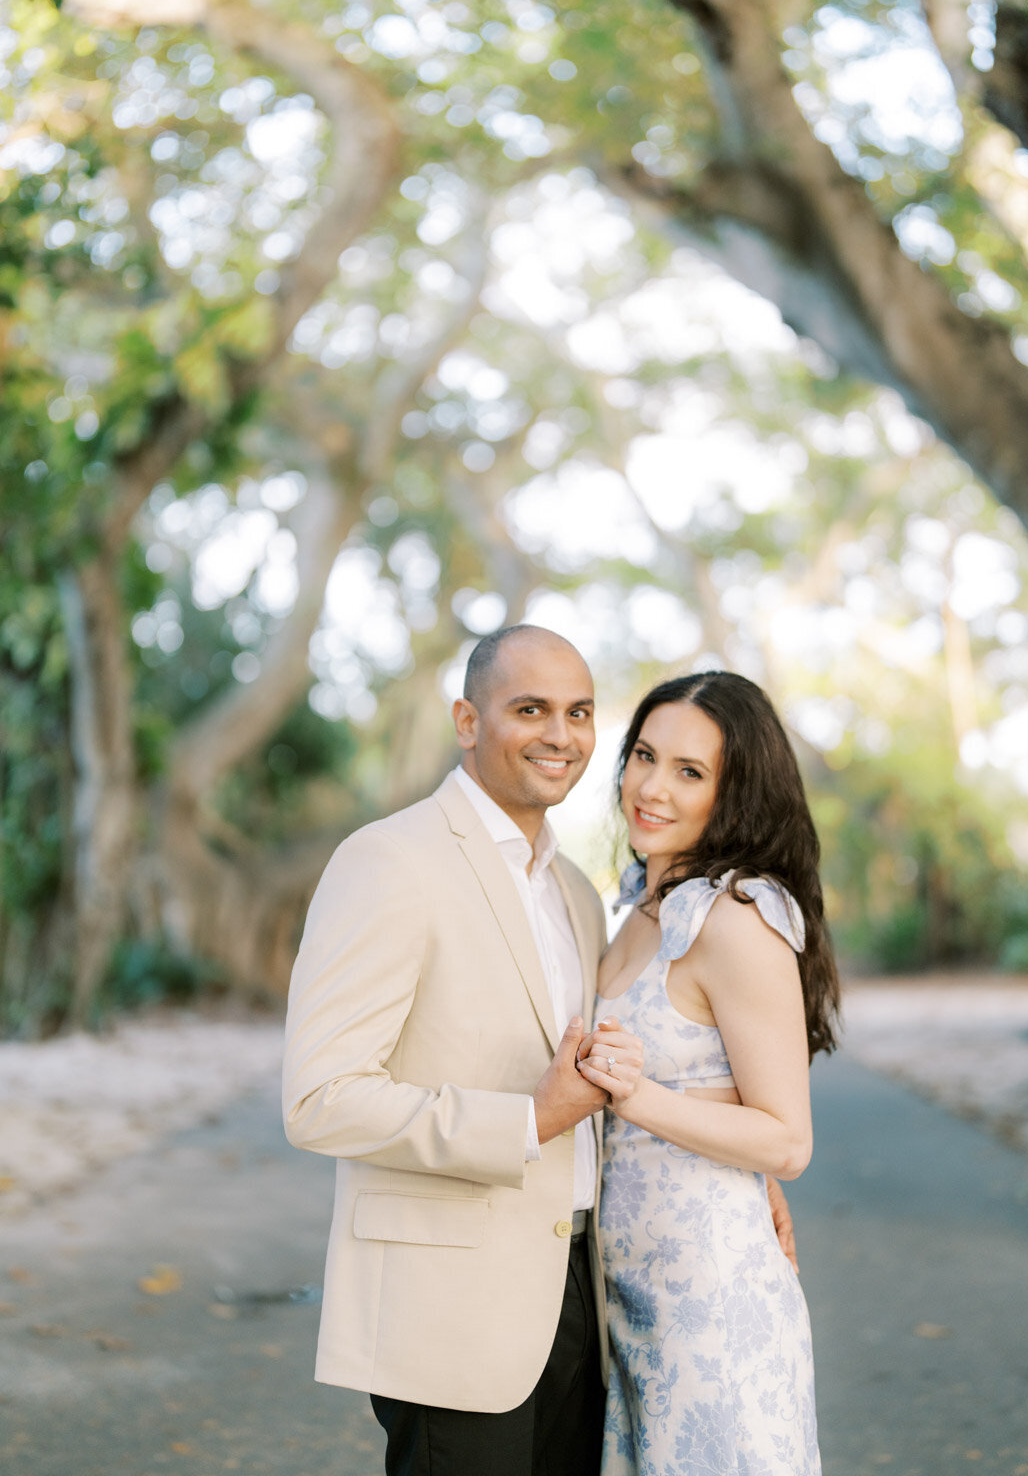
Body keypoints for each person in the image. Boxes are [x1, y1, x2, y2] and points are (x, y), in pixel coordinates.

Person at [283, 627, 798, 1476]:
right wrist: (527, 1120)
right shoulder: (387, 860)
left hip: (585, 1300)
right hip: (453, 1307)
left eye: (579, 713)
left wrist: (751, 1165)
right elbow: (320, 1097)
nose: (560, 734)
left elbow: (625, 1073)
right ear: (468, 720)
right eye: (530, 710)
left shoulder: (579, 896)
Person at [576, 671, 839, 1476]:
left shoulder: (735, 920)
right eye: (643, 756)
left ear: (735, 794)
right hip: (624, 1300)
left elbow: (785, 1140)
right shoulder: (631, 914)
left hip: (713, 1310)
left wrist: (636, 1094)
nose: (651, 788)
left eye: (690, 772)